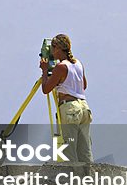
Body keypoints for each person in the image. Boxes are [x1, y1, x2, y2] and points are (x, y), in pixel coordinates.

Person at [39, 33, 92, 163]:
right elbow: (83, 85)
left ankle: (73, 180)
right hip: (84, 108)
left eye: (52, 48)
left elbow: (46, 89)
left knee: (69, 149)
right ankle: (87, 179)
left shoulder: (60, 67)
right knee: (84, 149)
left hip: (70, 109)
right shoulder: (78, 63)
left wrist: (45, 71)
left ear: (57, 48)